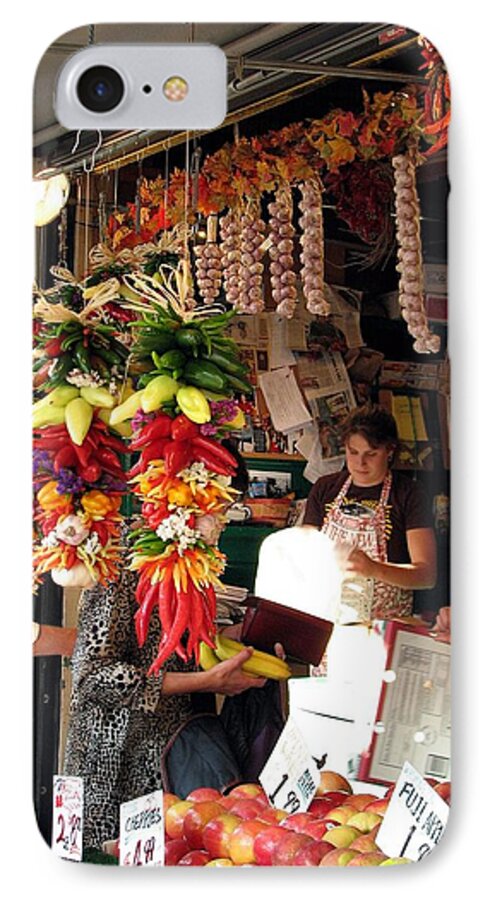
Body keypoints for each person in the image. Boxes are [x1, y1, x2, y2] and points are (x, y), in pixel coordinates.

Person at [303, 404, 437, 622]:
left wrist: (374, 569)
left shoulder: (409, 494)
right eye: (352, 452)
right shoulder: (325, 488)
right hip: (327, 618)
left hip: (385, 627)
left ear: (390, 450)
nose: (360, 463)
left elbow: (426, 575)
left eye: (371, 454)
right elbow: (304, 548)